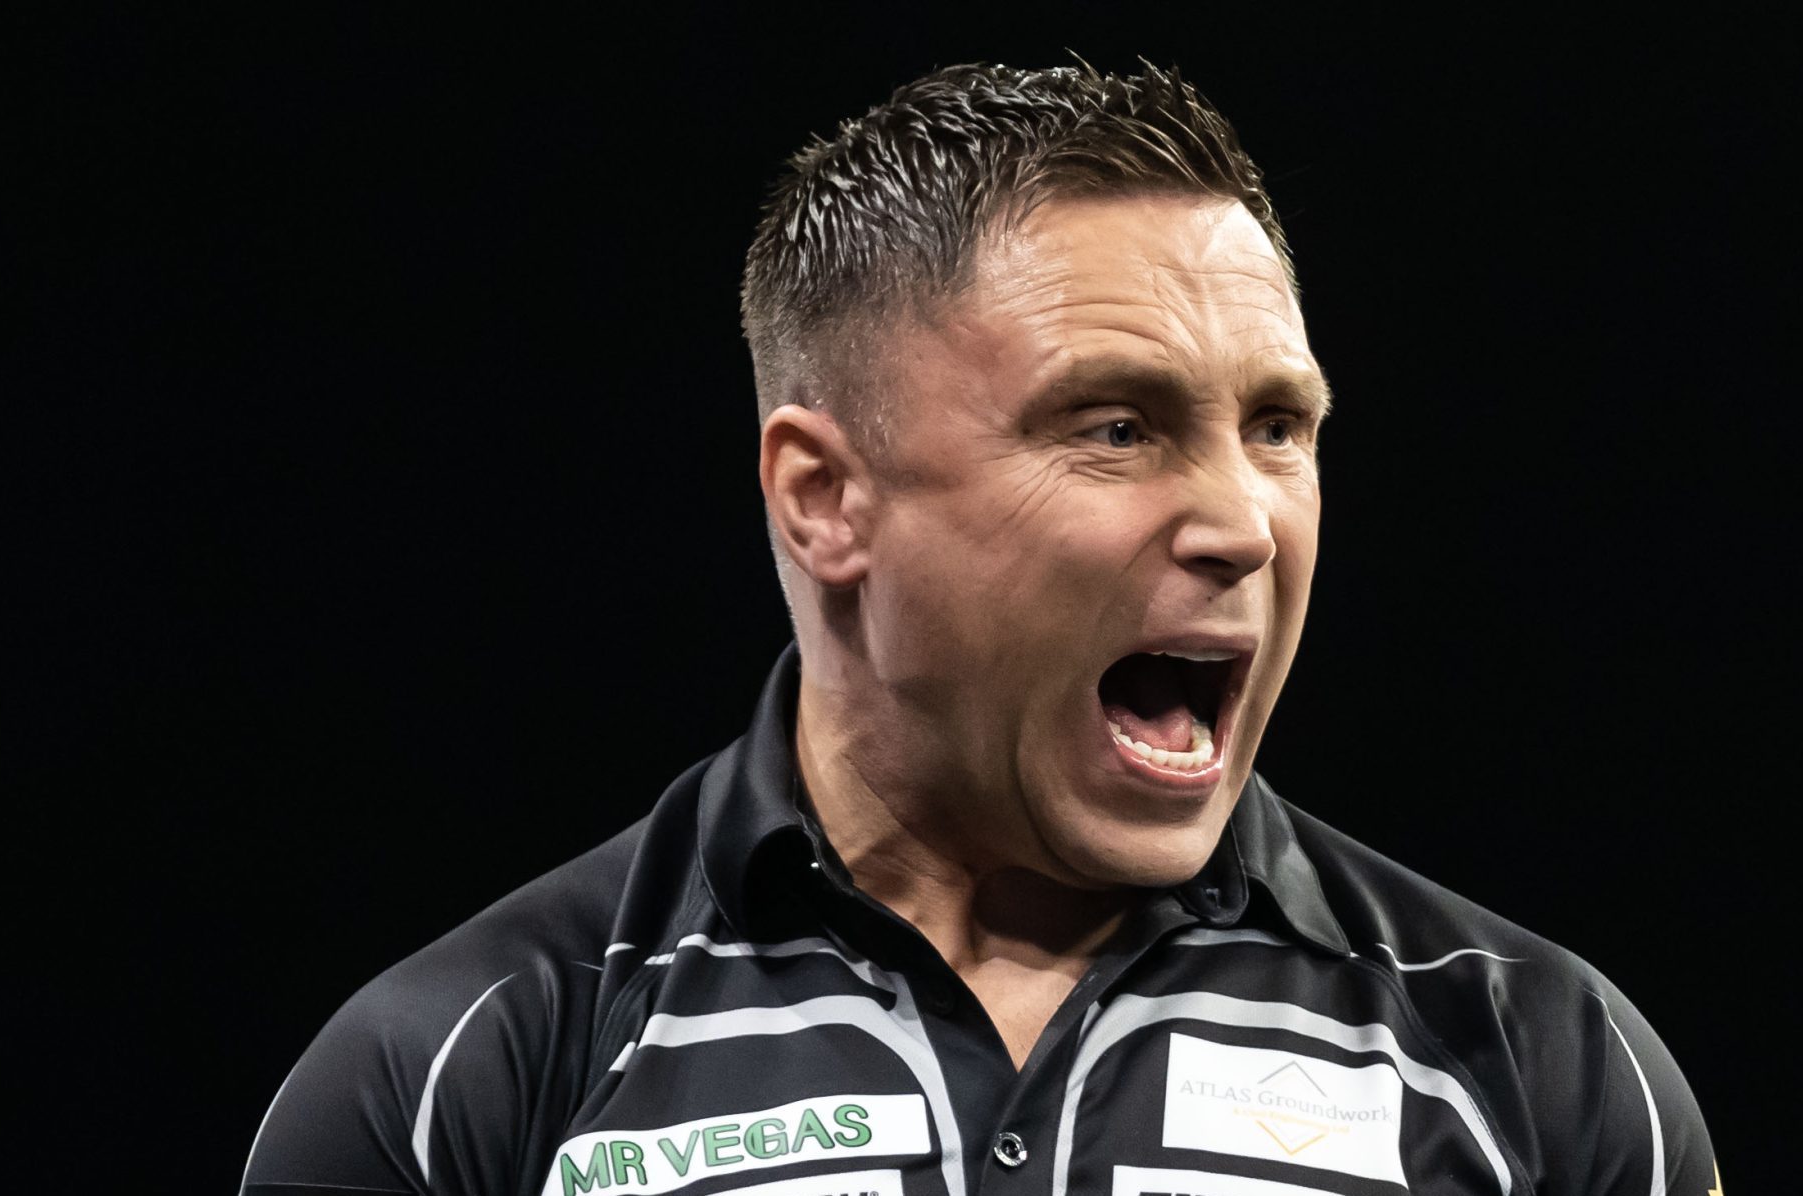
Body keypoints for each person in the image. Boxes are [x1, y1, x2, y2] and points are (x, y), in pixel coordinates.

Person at [241, 59, 1717, 1196]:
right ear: (825, 498)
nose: (1244, 522)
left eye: (1279, 427)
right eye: (1118, 426)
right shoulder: (460, 1076)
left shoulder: (1544, 1070)